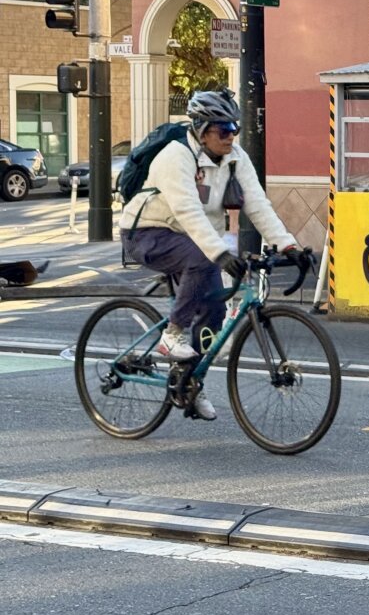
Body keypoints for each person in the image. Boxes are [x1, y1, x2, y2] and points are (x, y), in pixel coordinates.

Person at [119, 89, 300, 420]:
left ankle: (188, 384)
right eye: (223, 129)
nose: (231, 136)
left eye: (235, 128)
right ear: (201, 130)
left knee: (214, 311)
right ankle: (171, 336)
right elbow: (188, 211)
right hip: (148, 232)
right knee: (202, 261)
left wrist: (289, 246)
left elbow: (258, 204)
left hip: (194, 240)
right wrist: (219, 253)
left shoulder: (235, 158)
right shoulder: (176, 157)